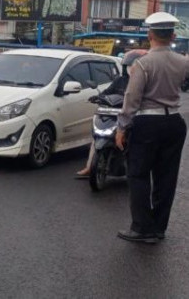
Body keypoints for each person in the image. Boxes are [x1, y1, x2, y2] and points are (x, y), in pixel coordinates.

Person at [116, 12, 189, 244]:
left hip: (147, 124)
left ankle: (141, 228)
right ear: (173, 35)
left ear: (150, 35)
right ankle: (158, 228)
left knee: (138, 174)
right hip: (175, 123)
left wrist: (122, 127)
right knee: (166, 177)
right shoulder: (183, 62)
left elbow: (132, 98)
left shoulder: (143, 63)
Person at [75, 49, 147, 178]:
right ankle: (89, 166)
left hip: (133, 117)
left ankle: (136, 169)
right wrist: (98, 97)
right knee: (97, 138)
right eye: (130, 66)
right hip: (114, 115)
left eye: (134, 66)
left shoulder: (144, 82)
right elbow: (106, 92)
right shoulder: (120, 80)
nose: (132, 69)